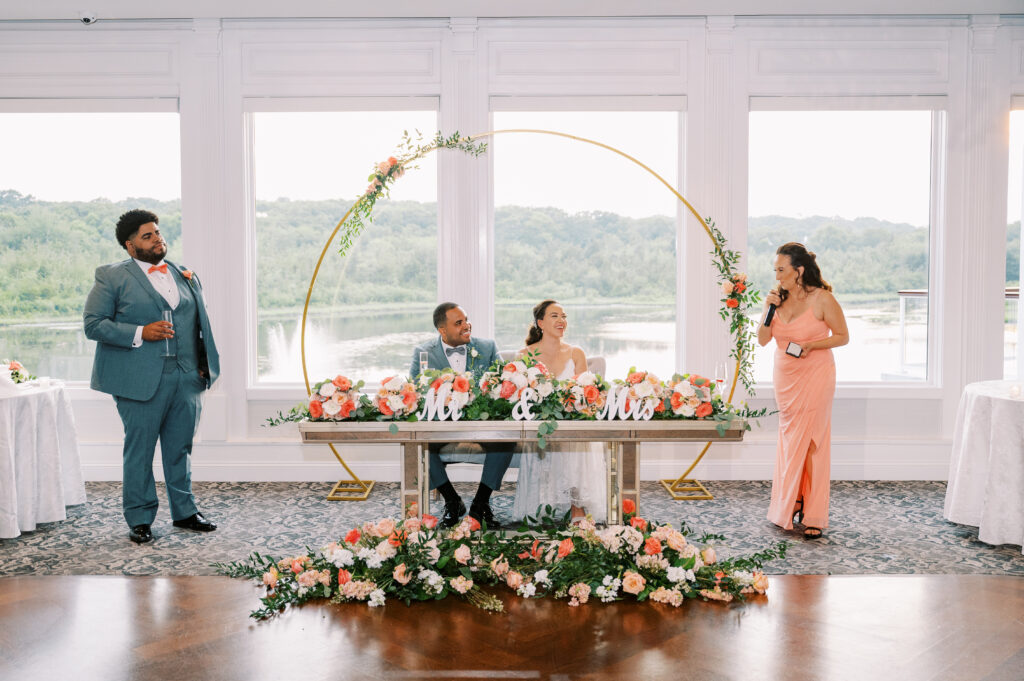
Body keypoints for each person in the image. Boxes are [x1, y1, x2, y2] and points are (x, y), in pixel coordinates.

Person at [84, 209, 220, 544]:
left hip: (186, 378)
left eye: (157, 232)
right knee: (140, 450)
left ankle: (185, 513)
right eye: (147, 235)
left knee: (180, 448)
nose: (157, 239)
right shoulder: (112, 276)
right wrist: (141, 331)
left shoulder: (184, 273)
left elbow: (198, 324)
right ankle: (140, 519)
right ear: (131, 246)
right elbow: (93, 324)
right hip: (139, 380)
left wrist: (202, 366)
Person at [758, 242, 848, 539]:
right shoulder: (777, 300)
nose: (777, 275)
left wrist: (811, 345)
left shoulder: (823, 299)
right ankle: (791, 501)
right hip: (786, 378)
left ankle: (813, 512)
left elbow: (842, 337)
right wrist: (768, 308)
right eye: (775, 270)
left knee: (813, 441)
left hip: (816, 375)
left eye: (781, 270)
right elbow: (762, 340)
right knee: (790, 439)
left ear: (798, 270)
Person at [410, 302, 513, 529]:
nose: (467, 326)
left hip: (482, 421)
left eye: (466, 320)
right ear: (442, 330)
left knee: (506, 439)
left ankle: (480, 504)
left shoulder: (487, 347)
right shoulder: (423, 353)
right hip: (442, 424)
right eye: (459, 323)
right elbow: (416, 392)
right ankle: (452, 500)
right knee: (419, 445)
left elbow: (502, 384)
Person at [511, 300, 607, 524]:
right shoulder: (523, 355)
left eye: (564, 316)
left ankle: (577, 505)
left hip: (571, 421)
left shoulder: (576, 353)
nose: (562, 320)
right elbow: (520, 398)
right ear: (540, 322)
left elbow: (585, 392)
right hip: (539, 423)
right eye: (555, 316)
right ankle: (545, 502)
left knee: (576, 437)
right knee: (546, 435)